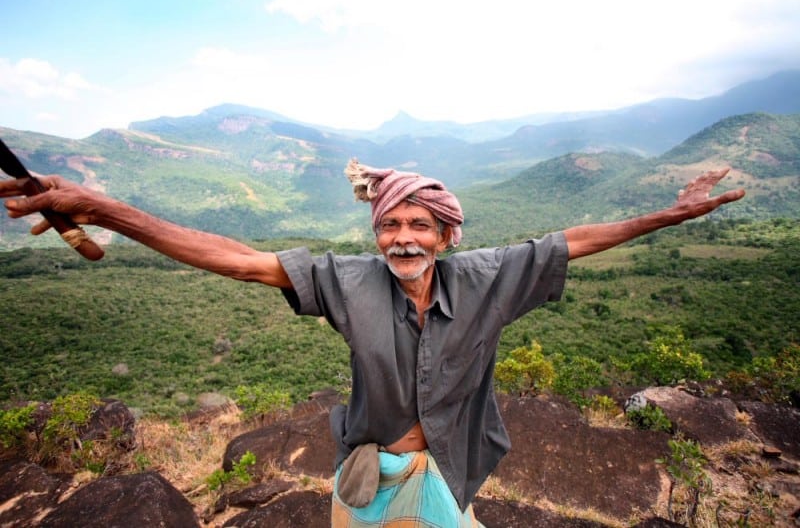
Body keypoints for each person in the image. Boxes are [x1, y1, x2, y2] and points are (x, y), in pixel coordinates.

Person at [1, 157, 745, 527]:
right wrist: (101, 206)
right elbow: (226, 255)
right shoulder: (346, 282)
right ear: (375, 233)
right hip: (368, 474)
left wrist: (668, 217)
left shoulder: (487, 278)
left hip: (452, 471)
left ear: (448, 235)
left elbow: (574, 240)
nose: (402, 237)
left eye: (420, 226)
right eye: (390, 225)